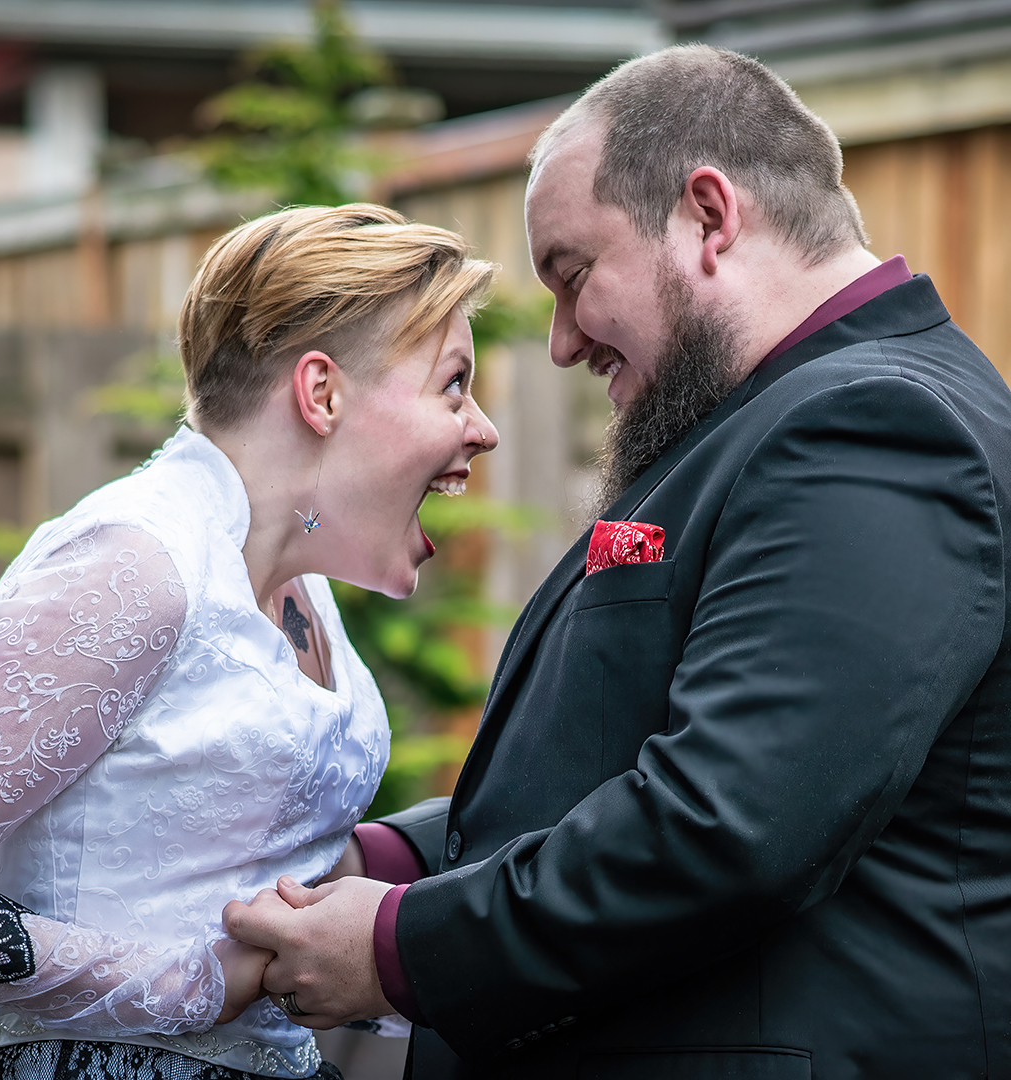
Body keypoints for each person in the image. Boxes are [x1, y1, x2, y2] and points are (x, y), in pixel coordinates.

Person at [223, 44, 1011, 1079]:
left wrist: (400, 949)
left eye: (573, 274)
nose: (561, 341)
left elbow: (730, 824)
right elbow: (612, 762)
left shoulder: (877, 427)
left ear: (709, 217)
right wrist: (392, 859)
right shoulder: (771, 421)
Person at [0, 203, 498, 1080]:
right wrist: (190, 984)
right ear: (322, 393)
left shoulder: (300, 592)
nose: (483, 428)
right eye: (453, 385)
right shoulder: (135, 559)